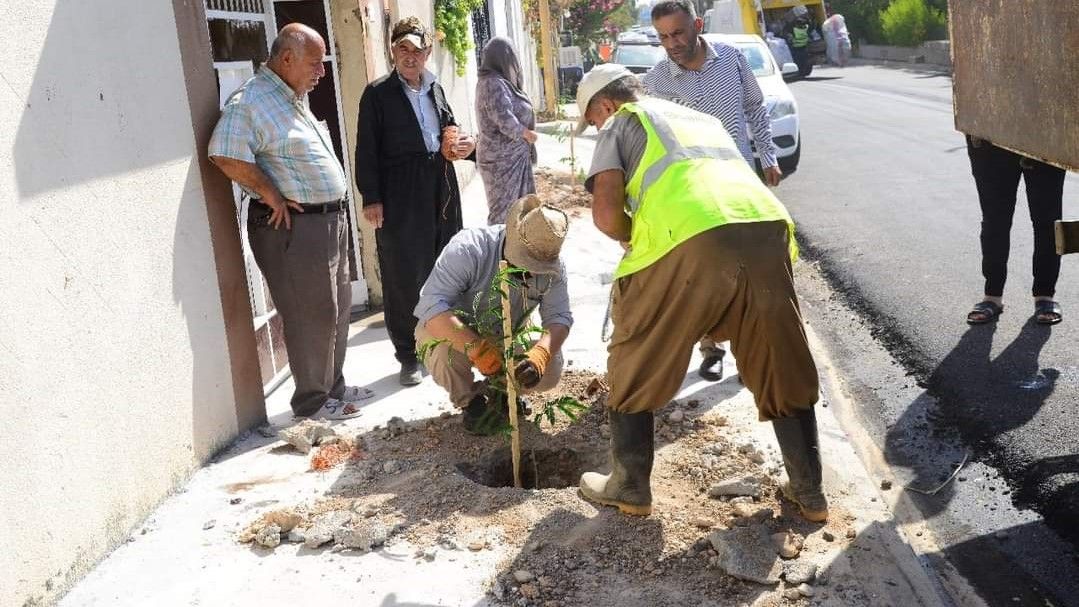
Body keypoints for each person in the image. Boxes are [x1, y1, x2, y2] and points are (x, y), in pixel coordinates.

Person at [574, 64, 827, 522]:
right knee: (779, 353)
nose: (596, 127)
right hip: (768, 229)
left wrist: (638, 237)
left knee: (636, 347)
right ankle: (810, 494)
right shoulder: (699, 118)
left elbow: (607, 215)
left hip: (693, 235)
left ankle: (629, 485)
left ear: (605, 105)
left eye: (591, 119)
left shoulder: (622, 120)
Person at [208, 24, 373, 420]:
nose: (321, 72)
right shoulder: (250, 101)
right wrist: (270, 193)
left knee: (334, 310)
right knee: (310, 315)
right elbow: (223, 153)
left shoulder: (291, 97)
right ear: (287, 59)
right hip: (294, 229)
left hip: (327, 221)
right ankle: (313, 404)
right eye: (315, 64)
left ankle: (332, 387)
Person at [645, 0, 783, 382]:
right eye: (663, 37)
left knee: (752, 270)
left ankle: (753, 351)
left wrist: (768, 155)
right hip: (695, 196)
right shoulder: (655, 82)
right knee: (707, 275)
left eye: (678, 32)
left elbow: (756, 108)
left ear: (698, 25)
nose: (672, 43)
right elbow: (650, 142)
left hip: (740, 184)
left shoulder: (733, 60)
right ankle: (710, 347)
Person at [355, 17, 477, 386]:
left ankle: (451, 342)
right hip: (399, 190)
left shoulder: (436, 89)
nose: (410, 56)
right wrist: (372, 197)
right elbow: (366, 151)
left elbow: (452, 133)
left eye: (416, 49)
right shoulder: (377, 94)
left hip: (440, 183)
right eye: (402, 49)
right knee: (404, 272)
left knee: (448, 262)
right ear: (393, 51)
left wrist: (466, 148)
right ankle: (409, 355)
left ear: (427, 52)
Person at [414, 195, 573, 434]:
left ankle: (502, 392)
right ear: (512, 237)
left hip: (510, 334)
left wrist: (540, 355)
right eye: (524, 264)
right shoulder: (469, 249)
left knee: (550, 369)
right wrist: (477, 349)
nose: (529, 273)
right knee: (437, 347)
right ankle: (471, 402)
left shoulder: (554, 268)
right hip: (459, 331)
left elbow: (559, 317)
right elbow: (431, 309)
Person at [965, 137, 1066, 325]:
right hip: (990, 136)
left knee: (1048, 220)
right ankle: (992, 296)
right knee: (995, 220)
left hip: (1044, 131)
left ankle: (1045, 295)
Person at [476, 37, 539, 225]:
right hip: (501, 162)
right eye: (511, 57)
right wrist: (527, 134)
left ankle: (517, 251)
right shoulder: (491, 83)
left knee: (521, 211)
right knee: (504, 214)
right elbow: (504, 119)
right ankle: (499, 250)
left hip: (514, 158)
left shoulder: (501, 82)